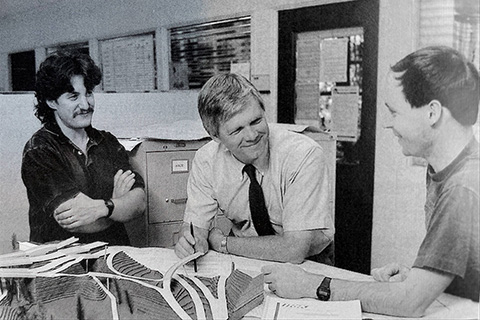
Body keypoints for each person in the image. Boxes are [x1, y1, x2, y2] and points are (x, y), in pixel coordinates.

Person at [262, 46, 479, 317]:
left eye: (395, 112)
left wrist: (311, 284)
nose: (389, 125)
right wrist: (420, 277)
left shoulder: (464, 187)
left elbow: (408, 303)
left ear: (432, 113)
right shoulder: (449, 167)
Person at [174, 73, 334, 264]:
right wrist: (190, 241)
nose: (251, 135)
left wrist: (222, 243)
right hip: (242, 256)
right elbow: (194, 228)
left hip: (308, 259)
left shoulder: (303, 154)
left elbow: (294, 249)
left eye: (256, 121)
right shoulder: (207, 160)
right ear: (215, 136)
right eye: (237, 130)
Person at [21, 51, 146, 245]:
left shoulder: (108, 142)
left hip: (114, 254)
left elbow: (139, 204)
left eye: (88, 93)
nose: (86, 104)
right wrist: (118, 206)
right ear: (51, 101)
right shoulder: (39, 151)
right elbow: (76, 222)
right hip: (64, 263)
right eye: (73, 97)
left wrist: (103, 208)